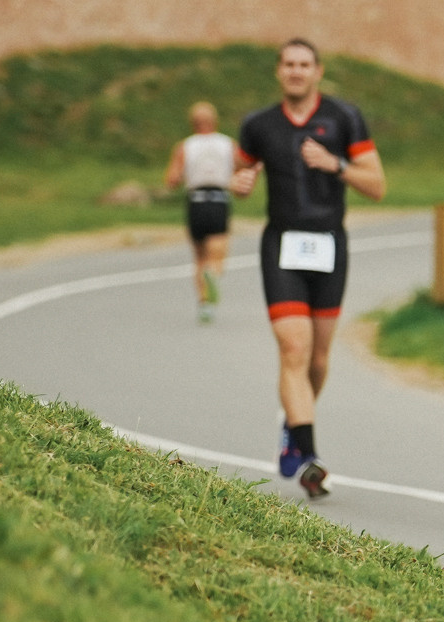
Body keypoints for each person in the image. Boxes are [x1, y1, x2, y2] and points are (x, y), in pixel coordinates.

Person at [232, 39, 385, 500]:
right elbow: (241, 172)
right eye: (289, 65)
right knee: (293, 349)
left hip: (329, 246)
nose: (296, 72)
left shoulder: (344, 118)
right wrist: (239, 183)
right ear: (278, 72)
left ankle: (291, 428)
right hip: (281, 244)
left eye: (304, 65)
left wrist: (334, 163)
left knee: (317, 360)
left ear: (318, 71)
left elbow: (377, 185)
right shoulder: (257, 125)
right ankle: (310, 459)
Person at [163, 100, 238, 322]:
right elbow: (242, 168)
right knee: (218, 253)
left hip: (195, 201)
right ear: (214, 120)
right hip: (218, 199)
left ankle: (204, 304)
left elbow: (172, 180)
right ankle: (213, 274)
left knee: (199, 256)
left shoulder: (185, 147)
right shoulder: (227, 144)